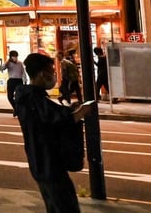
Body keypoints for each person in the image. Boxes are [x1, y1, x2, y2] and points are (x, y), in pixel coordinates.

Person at [15, 52, 92, 213]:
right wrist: (81, 112)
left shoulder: (27, 96)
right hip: (49, 162)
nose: (54, 75)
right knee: (65, 206)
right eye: (52, 71)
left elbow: (52, 115)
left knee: (55, 205)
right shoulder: (35, 98)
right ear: (43, 74)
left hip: (39, 161)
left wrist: (71, 110)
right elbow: (58, 119)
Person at [2, 50, 26, 116]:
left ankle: (17, 110)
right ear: (11, 57)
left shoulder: (20, 63)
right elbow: (2, 68)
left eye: (16, 56)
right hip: (11, 80)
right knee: (10, 97)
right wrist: (7, 61)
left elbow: (23, 72)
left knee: (19, 96)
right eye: (14, 56)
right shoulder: (8, 63)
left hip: (19, 81)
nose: (15, 58)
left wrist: (25, 80)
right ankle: (16, 108)